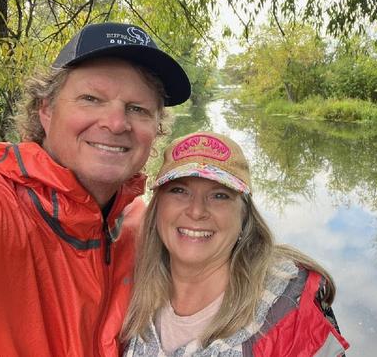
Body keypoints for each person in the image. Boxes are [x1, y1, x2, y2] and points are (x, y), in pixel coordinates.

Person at [0, 22, 191, 356]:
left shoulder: (144, 224)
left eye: (138, 109)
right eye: (91, 99)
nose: (116, 123)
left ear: (155, 128)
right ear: (45, 110)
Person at [122, 131, 350, 356]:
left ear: (244, 215)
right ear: (157, 207)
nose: (197, 210)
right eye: (179, 190)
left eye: (219, 195)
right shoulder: (127, 282)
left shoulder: (290, 310)